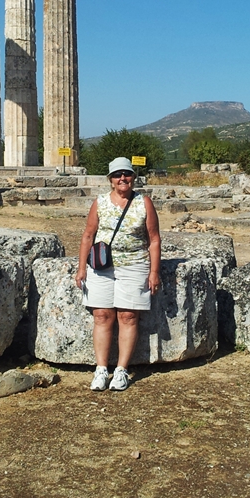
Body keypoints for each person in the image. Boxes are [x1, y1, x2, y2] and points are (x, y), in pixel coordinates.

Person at [75, 156, 161, 391]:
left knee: (128, 316)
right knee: (102, 315)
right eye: (117, 175)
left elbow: (154, 239)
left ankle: (121, 370)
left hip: (134, 264)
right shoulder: (100, 202)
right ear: (111, 180)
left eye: (127, 174)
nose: (122, 178)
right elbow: (88, 235)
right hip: (102, 265)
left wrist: (154, 271)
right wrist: (81, 267)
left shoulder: (144, 202)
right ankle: (101, 370)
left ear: (133, 177)